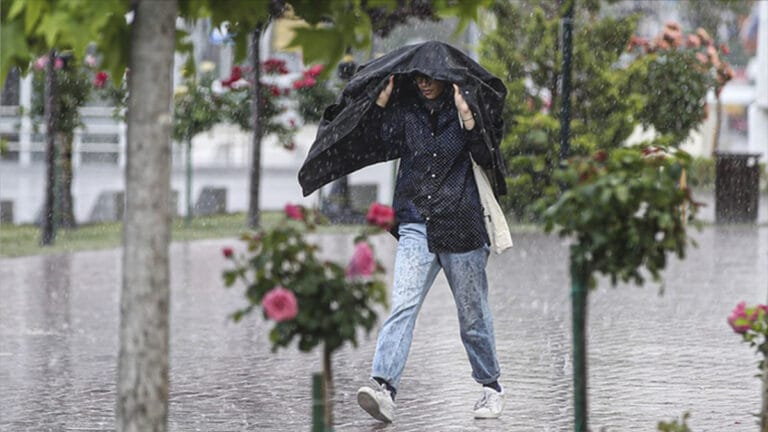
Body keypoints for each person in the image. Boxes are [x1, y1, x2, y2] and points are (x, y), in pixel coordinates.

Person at [354, 71, 505, 423]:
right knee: (403, 304)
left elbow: (487, 156)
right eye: (418, 77)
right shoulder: (406, 112)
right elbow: (374, 143)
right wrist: (381, 100)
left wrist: (467, 116)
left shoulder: (465, 109)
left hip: (463, 226)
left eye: (431, 77)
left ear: (446, 78)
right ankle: (383, 387)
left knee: (472, 315)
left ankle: (491, 386)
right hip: (416, 224)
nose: (424, 83)